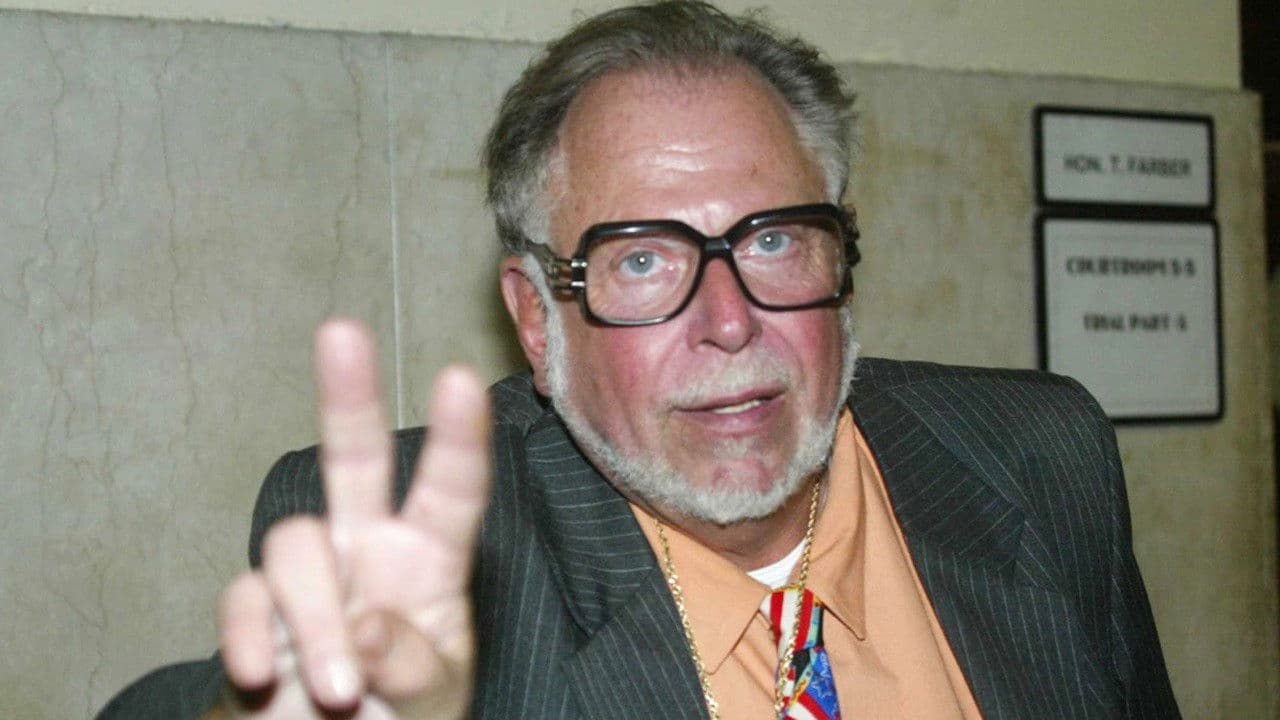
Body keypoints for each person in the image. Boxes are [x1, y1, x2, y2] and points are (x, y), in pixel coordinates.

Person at [100, 2, 1181, 718]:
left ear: (841, 255)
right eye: (643, 261)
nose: (728, 322)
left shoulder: (1039, 456)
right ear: (536, 318)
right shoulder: (441, 546)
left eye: (772, 240)